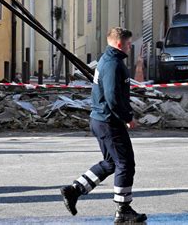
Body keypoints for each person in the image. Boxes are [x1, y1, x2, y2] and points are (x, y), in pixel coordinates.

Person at [60, 27, 147, 224]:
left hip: (101, 120)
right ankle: (123, 210)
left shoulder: (107, 59)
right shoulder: (114, 64)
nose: (130, 47)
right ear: (119, 44)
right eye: (128, 44)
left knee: (110, 163)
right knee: (125, 164)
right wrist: (127, 117)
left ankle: (74, 191)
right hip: (109, 121)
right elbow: (112, 97)